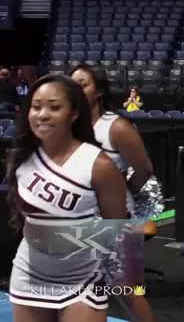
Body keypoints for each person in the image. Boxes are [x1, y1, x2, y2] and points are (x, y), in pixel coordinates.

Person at [7, 74, 128, 321]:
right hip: (29, 274)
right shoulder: (20, 157)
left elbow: (118, 231)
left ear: (74, 113)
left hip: (82, 279)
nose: (42, 114)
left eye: (54, 107)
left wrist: (126, 287)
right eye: (36, 106)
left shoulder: (99, 165)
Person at [71, 64, 156, 322]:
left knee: (130, 292)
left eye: (82, 84)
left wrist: (122, 191)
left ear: (98, 91)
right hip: (79, 218)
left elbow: (143, 169)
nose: (75, 89)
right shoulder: (70, 126)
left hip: (115, 219)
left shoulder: (116, 127)